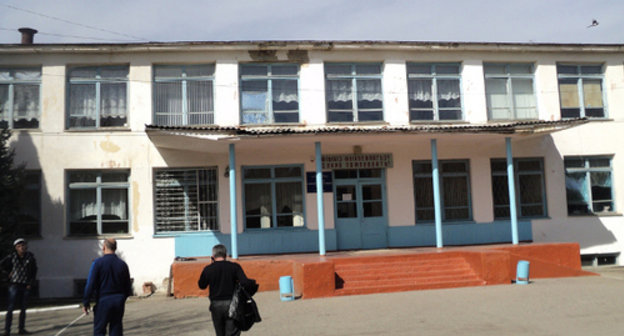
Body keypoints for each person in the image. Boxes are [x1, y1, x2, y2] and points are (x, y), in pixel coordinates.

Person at [82, 238, 132, 336]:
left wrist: (86, 302)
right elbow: (128, 286)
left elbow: (90, 284)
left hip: (103, 301)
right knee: (116, 329)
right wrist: (122, 298)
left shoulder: (97, 263)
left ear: (104, 247)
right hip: (118, 301)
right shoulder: (122, 264)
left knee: (99, 330)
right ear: (115, 248)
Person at [198, 244, 250, 336]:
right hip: (232, 304)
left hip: (216, 305)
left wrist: (211, 266)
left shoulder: (208, 269)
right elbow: (245, 282)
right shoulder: (234, 267)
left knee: (220, 332)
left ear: (213, 256)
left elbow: (202, 285)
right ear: (226, 255)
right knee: (232, 332)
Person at [1, 238, 37, 336]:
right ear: (16, 248)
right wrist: (7, 273)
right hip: (14, 284)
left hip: (25, 285)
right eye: (19, 246)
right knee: (10, 307)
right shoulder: (11, 257)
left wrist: (30, 283)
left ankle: (21, 328)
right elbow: (2, 265)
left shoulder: (30, 257)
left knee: (23, 308)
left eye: (23, 245)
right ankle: (7, 330)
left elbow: (34, 271)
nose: (22, 248)